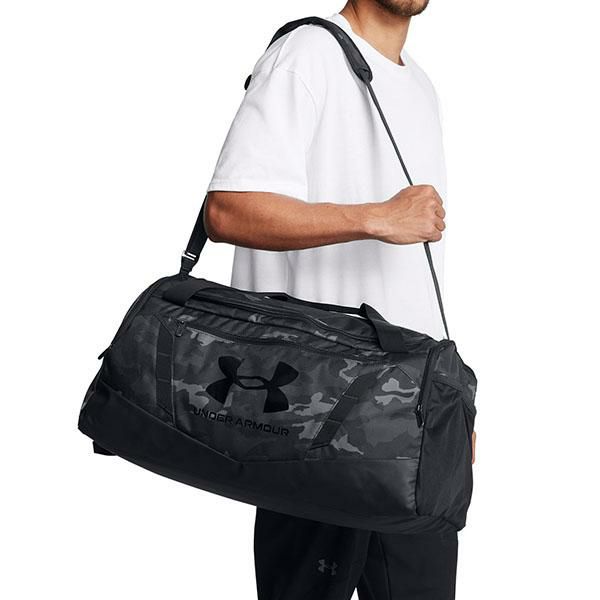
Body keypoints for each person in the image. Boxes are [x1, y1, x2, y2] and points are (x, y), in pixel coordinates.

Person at [206, 1, 473, 598]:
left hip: (410, 418)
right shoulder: (306, 54)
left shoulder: (421, 87)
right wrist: (375, 217)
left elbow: (412, 277)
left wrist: (452, 403)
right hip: (311, 412)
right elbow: (228, 209)